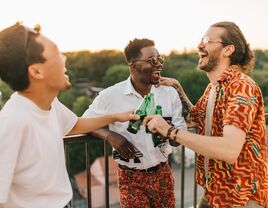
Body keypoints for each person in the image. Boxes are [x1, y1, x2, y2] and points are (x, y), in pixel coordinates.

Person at [0, 22, 139, 208]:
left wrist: (115, 117)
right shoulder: (12, 122)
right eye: (57, 52)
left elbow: (74, 125)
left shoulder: (49, 104)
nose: (64, 58)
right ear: (36, 71)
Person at [144, 21, 268, 208]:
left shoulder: (241, 87)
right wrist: (177, 87)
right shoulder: (214, 87)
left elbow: (229, 150)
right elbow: (195, 118)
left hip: (240, 198)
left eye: (207, 40)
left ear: (228, 50)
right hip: (215, 191)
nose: (200, 45)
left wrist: (169, 131)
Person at [83, 38, 187, 207]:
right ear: (133, 65)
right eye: (152, 60)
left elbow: (178, 138)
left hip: (163, 173)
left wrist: (168, 131)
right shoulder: (110, 96)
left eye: (160, 59)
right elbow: (85, 122)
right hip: (131, 177)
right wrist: (110, 136)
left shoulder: (169, 94)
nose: (159, 64)